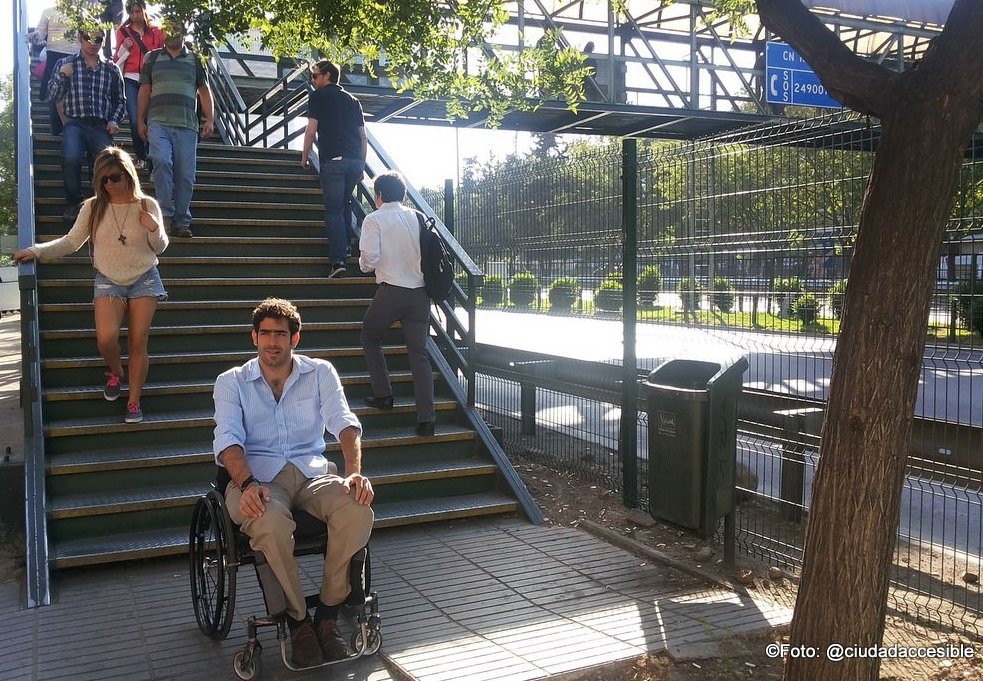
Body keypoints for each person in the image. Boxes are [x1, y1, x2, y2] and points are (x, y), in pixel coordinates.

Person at [213, 297, 375, 668]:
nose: (273, 342)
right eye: (265, 334)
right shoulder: (232, 382)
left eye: (281, 335)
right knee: (268, 522)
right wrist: (247, 482)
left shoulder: (320, 372)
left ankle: (329, 614)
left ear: (295, 339)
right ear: (254, 337)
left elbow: (344, 422)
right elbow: (228, 440)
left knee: (358, 509)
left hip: (312, 472)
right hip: (258, 478)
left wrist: (353, 472)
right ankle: (298, 621)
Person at [14, 147, 168, 424]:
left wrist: (155, 228)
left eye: (115, 177)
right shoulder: (94, 207)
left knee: (137, 341)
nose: (109, 184)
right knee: (106, 338)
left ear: (128, 175)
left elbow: (159, 247)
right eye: (103, 179)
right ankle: (115, 372)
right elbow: (71, 242)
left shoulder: (147, 205)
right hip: (108, 279)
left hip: (144, 277)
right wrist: (37, 251)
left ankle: (134, 402)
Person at [358, 171, 436, 437]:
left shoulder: (374, 219)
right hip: (420, 294)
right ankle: (427, 419)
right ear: (402, 193)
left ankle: (384, 394)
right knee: (419, 354)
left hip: (391, 291)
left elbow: (369, 259)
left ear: (378, 195)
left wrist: (363, 265)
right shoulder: (418, 216)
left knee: (370, 336)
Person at [137, 16, 214, 238]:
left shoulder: (195, 60)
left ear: (183, 32)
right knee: (161, 161)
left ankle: (182, 220)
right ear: (162, 32)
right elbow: (144, 89)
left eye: (177, 29)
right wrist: (139, 120)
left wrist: (209, 119)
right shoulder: (152, 58)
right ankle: (166, 215)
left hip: (187, 125)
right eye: (169, 29)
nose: (173, 33)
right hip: (158, 122)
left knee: (186, 175)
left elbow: (204, 90)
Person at [47, 28, 126, 223]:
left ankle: (98, 203)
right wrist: (62, 76)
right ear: (79, 38)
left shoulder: (112, 69)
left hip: (100, 124)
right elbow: (52, 95)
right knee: (71, 158)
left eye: (98, 39)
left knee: (104, 165)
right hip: (74, 122)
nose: (93, 43)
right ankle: (74, 203)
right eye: (88, 38)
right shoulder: (65, 63)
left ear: (103, 41)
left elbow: (120, 101)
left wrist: (114, 119)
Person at [301, 60, 367, 279]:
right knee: (346, 203)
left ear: (327, 76)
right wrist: (361, 164)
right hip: (355, 161)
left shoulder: (318, 96)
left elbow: (311, 130)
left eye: (315, 76)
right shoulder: (353, 100)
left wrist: (305, 155)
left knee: (333, 210)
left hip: (334, 161)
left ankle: (338, 260)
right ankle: (347, 247)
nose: (313, 80)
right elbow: (363, 136)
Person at [113, 1, 164, 168]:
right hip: (130, 78)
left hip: (150, 79)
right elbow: (116, 59)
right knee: (136, 119)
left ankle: (151, 158)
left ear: (144, 11)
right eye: (132, 12)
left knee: (150, 120)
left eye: (138, 11)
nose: (135, 15)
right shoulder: (122, 31)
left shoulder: (156, 31)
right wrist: (124, 49)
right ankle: (141, 155)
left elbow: (161, 53)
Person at [29, 5, 76, 135]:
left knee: (73, 90)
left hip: (75, 54)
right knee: (54, 88)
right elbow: (41, 31)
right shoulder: (48, 12)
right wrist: (36, 36)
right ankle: (57, 127)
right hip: (53, 53)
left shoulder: (82, 13)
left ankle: (72, 128)